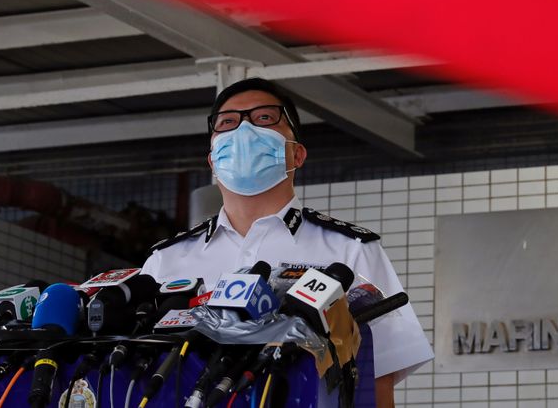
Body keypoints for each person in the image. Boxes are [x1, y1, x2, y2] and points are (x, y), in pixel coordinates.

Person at [141, 77, 433, 407]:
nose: (244, 131)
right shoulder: (165, 262)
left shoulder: (350, 251)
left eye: (264, 118)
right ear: (212, 160)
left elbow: (378, 380)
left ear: (297, 154)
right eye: (228, 122)